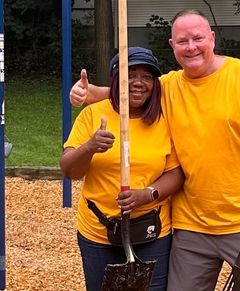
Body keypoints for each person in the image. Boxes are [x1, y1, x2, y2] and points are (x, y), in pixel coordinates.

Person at [69, 10, 240, 291]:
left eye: (198, 38)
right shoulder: (171, 86)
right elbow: (132, 90)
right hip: (191, 224)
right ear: (172, 45)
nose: (191, 47)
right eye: (182, 41)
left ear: (212, 38)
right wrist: (87, 92)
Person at [61, 46, 185, 291]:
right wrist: (89, 147)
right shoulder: (92, 115)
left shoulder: (164, 119)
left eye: (147, 76)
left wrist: (146, 194)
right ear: (116, 79)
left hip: (152, 231)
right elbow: (69, 170)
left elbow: (176, 173)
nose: (139, 82)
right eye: (130, 74)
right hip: (98, 230)